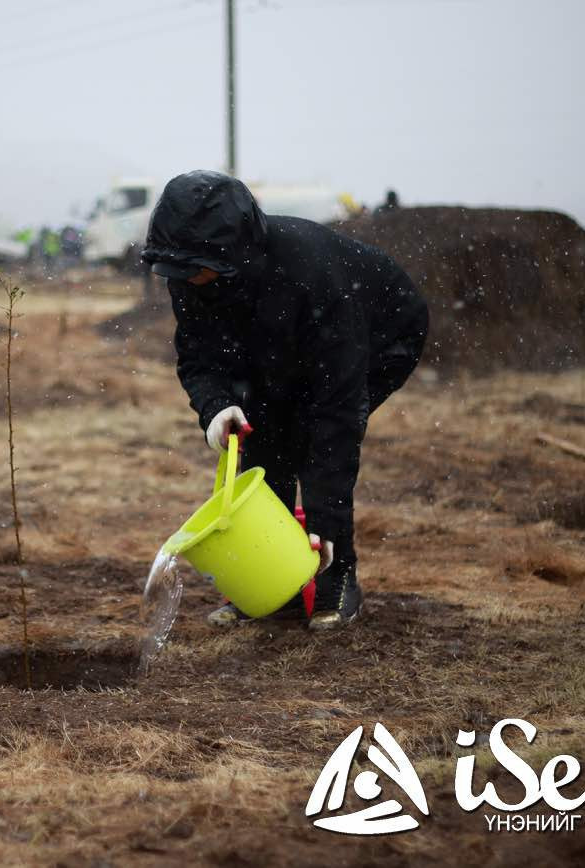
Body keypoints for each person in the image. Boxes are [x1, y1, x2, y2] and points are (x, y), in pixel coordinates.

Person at [144, 170, 428, 632]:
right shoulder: (193, 268)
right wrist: (216, 407)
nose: (186, 280)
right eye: (178, 271)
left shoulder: (310, 274)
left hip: (381, 335)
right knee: (262, 443)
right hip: (279, 338)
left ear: (232, 253)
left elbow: (336, 415)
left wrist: (325, 519)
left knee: (311, 436)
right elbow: (198, 355)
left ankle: (337, 576)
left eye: (195, 270)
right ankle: (275, 586)